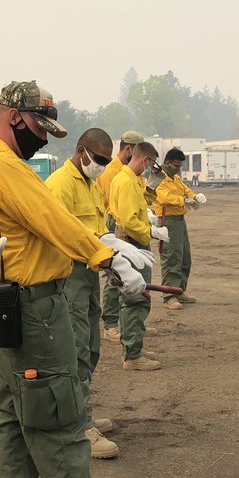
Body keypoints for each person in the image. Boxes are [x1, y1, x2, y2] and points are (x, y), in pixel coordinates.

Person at [0, 80, 157, 478]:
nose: (44, 137)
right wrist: (104, 256)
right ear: (13, 117)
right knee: (58, 419)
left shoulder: (2, 165)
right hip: (33, 310)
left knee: (13, 417)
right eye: (38, 126)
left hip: (13, 304)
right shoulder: (2, 168)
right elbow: (50, 219)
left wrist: (107, 247)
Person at [44, 127, 120, 458]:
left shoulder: (89, 183)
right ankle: (77, 428)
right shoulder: (60, 184)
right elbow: (57, 232)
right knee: (74, 348)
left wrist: (114, 255)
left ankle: (82, 411)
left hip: (90, 271)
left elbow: (96, 227)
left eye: (106, 160)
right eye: (99, 158)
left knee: (90, 345)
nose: (102, 164)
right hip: (69, 273)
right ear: (81, 151)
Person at [109, 141, 168, 369]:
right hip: (132, 241)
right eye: (151, 164)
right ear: (145, 160)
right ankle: (132, 355)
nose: (150, 168)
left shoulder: (132, 180)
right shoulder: (125, 181)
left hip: (135, 241)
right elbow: (130, 221)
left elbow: (141, 206)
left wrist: (152, 188)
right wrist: (151, 232)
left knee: (136, 298)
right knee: (136, 298)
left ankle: (133, 347)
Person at [98, 130, 143, 343]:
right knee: (114, 273)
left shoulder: (129, 172)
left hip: (125, 220)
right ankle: (111, 324)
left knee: (129, 271)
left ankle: (128, 323)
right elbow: (111, 205)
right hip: (112, 222)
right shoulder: (110, 173)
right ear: (128, 149)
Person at [154, 146, 206, 310]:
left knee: (184, 258)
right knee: (171, 259)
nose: (178, 169)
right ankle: (169, 295)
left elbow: (185, 189)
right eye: (176, 166)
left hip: (179, 220)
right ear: (168, 163)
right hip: (167, 220)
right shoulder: (158, 178)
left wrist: (194, 196)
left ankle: (179, 290)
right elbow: (163, 197)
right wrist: (183, 200)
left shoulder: (175, 178)